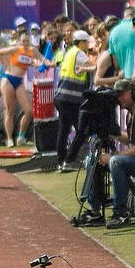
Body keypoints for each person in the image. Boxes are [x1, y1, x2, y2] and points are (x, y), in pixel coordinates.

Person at [71, 80, 135, 228]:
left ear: (133, 93)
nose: (119, 99)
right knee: (93, 160)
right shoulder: (131, 113)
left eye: (122, 95)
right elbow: (131, 140)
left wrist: (114, 156)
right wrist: (110, 130)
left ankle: (121, 212)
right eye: (117, 95)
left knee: (115, 162)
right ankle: (95, 211)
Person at [51, 29, 95, 166]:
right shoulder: (79, 53)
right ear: (81, 43)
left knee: (64, 130)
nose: (88, 45)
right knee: (82, 131)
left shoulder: (70, 52)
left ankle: (62, 160)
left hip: (62, 97)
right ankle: (69, 159)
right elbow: (94, 66)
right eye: (86, 43)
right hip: (70, 99)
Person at [0, 24, 43, 146]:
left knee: (29, 110)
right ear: (19, 41)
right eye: (23, 41)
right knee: (10, 111)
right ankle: (10, 139)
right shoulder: (16, 49)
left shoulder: (32, 51)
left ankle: (21, 136)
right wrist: (6, 64)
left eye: (27, 41)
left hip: (19, 81)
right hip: (8, 79)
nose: (25, 43)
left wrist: (48, 63)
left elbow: (41, 59)